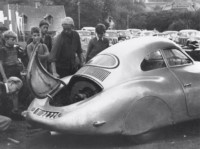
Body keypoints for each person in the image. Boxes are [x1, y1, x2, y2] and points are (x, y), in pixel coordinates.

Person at [0, 30, 23, 114]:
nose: (14, 41)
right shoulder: (3, 50)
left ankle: (15, 109)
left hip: (16, 71)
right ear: (6, 39)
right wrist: (4, 77)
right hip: (8, 72)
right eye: (12, 39)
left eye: (15, 39)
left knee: (17, 90)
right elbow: (0, 64)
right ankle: (11, 110)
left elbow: (17, 59)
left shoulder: (15, 48)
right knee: (11, 91)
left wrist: (19, 64)